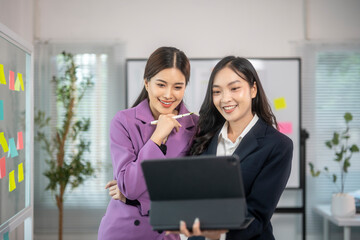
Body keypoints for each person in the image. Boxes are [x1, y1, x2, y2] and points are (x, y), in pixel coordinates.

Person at [178, 56, 293, 240]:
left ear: (253, 89)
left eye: (234, 88)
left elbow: (257, 215)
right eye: (217, 92)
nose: (225, 99)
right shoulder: (202, 137)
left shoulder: (278, 145)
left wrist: (219, 235)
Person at [97, 46, 198, 240]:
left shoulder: (196, 126)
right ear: (146, 83)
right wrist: (157, 137)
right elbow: (130, 186)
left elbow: (192, 191)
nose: (169, 94)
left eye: (178, 87)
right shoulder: (123, 122)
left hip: (170, 233)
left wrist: (132, 199)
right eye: (161, 85)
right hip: (124, 231)